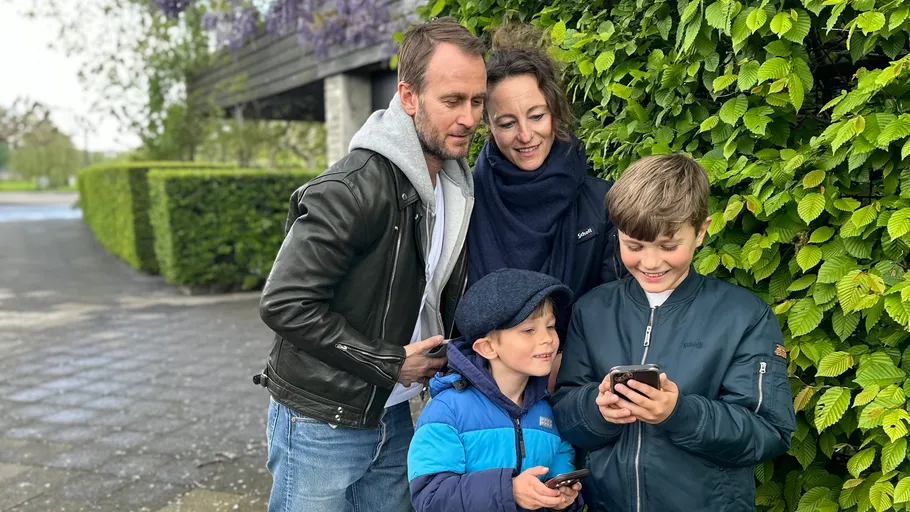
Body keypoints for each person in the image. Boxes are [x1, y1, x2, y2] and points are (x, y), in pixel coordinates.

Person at [253, 17, 487, 512]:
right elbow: (285, 303)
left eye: (477, 101)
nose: (469, 118)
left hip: (394, 412)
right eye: (452, 101)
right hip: (320, 421)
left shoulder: (455, 186)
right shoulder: (352, 189)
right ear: (408, 97)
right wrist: (390, 362)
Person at [551, 154, 797, 511]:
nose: (651, 263)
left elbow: (769, 432)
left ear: (701, 231)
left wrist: (679, 413)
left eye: (669, 246)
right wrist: (597, 409)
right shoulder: (592, 310)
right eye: (634, 246)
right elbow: (563, 413)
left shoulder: (744, 316)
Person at [466, 28, 622, 389]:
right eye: (507, 123)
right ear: (488, 125)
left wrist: (567, 365)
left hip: (576, 385)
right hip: (485, 389)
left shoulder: (601, 204)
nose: (525, 135)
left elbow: (614, 307)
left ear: (555, 111)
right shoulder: (465, 203)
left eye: (537, 116)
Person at [408, 268, 583, 512]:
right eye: (529, 330)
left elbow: (560, 466)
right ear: (487, 348)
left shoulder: (546, 411)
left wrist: (562, 499)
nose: (547, 338)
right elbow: (431, 497)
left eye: (551, 326)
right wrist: (508, 490)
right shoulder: (447, 411)